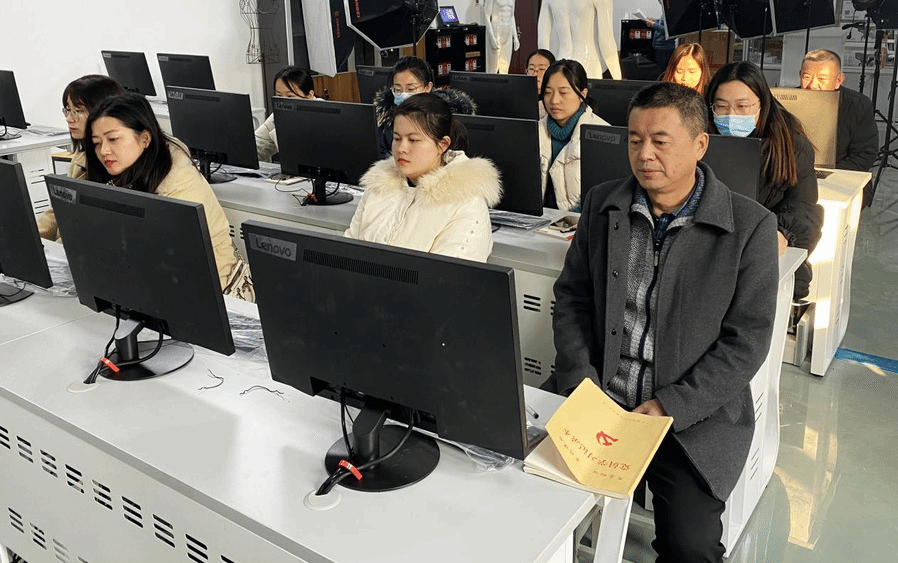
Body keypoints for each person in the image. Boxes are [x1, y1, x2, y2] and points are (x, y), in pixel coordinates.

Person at [543, 81, 779, 562]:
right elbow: (571, 299)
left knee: (691, 548)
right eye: (634, 140)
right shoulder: (602, 205)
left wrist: (671, 405)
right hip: (599, 398)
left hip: (689, 417)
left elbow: (746, 342)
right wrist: (582, 380)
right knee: (527, 501)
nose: (644, 154)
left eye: (660, 141)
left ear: (700, 144)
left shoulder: (750, 227)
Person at [83, 94, 254, 301]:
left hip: (214, 289)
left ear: (144, 139)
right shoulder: (125, 170)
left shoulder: (176, 184)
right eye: (96, 142)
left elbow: (179, 260)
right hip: (158, 284)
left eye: (113, 139)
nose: (103, 150)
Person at [707, 61, 823, 299]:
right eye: (721, 106)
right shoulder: (700, 138)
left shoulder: (790, 144)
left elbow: (804, 207)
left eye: (742, 106)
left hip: (766, 255)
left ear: (762, 105)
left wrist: (782, 233)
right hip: (711, 252)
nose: (731, 115)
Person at [346, 93, 501, 262]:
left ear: (442, 145)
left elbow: (448, 275)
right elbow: (348, 250)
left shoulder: (466, 203)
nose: (401, 148)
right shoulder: (379, 186)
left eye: (413, 140)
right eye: (397, 138)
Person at [37, 75, 126, 241]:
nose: (69, 119)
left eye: (78, 111)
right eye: (67, 110)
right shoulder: (81, 158)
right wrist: (30, 238)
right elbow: (58, 209)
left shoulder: (120, 164)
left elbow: (88, 229)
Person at [800, 49, 879, 207]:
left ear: (838, 80)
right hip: (796, 175)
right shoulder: (785, 103)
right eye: (806, 77)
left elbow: (864, 155)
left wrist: (824, 175)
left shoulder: (858, 105)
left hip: (841, 178)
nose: (812, 85)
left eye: (821, 79)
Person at [538, 59, 609, 211]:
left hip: (580, 220)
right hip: (538, 218)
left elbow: (605, 197)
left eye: (563, 93)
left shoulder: (602, 133)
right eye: (548, 92)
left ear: (582, 94)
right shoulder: (534, 131)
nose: (554, 100)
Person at [373, 56, 476, 158]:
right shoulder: (387, 121)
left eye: (410, 89)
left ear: (427, 88)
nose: (403, 95)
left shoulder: (446, 120)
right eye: (398, 90)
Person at [538, 0, 621, 79]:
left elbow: (542, 40)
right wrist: (618, 80)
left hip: (561, 65)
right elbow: (607, 42)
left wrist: (546, 75)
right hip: (588, 65)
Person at [255, 66, 316, 162]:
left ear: (310, 96)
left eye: (290, 96)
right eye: (279, 95)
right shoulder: (277, 116)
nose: (283, 102)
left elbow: (298, 158)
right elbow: (257, 147)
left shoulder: (323, 118)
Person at [484, 0, 520, 74]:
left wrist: (515, 37)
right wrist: (492, 37)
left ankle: (504, 82)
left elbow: (512, 16)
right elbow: (487, 16)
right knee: (493, 68)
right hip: (496, 31)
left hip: (508, 32)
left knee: (505, 67)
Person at [527, 48, 556, 119]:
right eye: (531, 69)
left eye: (542, 69)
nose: (535, 74)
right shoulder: (519, 97)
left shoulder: (555, 99)